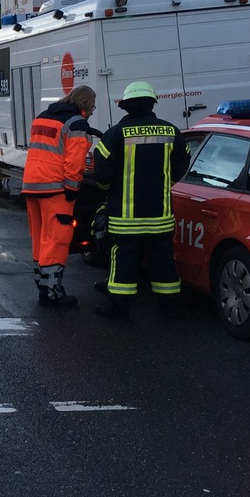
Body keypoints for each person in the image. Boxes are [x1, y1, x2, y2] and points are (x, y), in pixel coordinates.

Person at [93, 81, 191, 319]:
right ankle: (170, 309)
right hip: (160, 217)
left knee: (124, 263)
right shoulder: (171, 131)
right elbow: (183, 162)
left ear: (126, 107)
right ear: (152, 103)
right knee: (163, 261)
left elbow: (102, 172)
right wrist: (165, 183)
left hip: (126, 218)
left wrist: (108, 191)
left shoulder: (115, 134)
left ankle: (118, 309)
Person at [21, 85, 96, 306]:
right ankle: (51, 291)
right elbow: (74, 163)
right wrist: (73, 191)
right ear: (84, 104)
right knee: (57, 239)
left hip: (32, 185)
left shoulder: (43, 117)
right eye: (92, 106)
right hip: (55, 189)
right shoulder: (77, 123)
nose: (92, 111)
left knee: (40, 237)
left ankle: (42, 284)